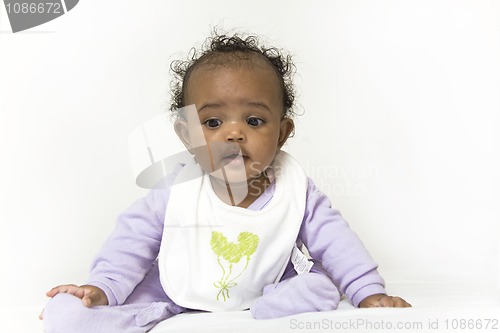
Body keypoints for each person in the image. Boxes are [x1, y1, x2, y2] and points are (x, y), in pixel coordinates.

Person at [40, 31, 411, 333]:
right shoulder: (177, 188)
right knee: (71, 313)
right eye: (213, 123)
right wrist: (102, 286)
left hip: (269, 285)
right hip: (176, 290)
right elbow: (132, 241)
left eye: (254, 121)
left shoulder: (294, 188)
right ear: (188, 137)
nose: (234, 133)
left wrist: (367, 292)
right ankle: (136, 315)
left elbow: (336, 241)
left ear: (282, 134)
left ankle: (270, 308)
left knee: (319, 284)